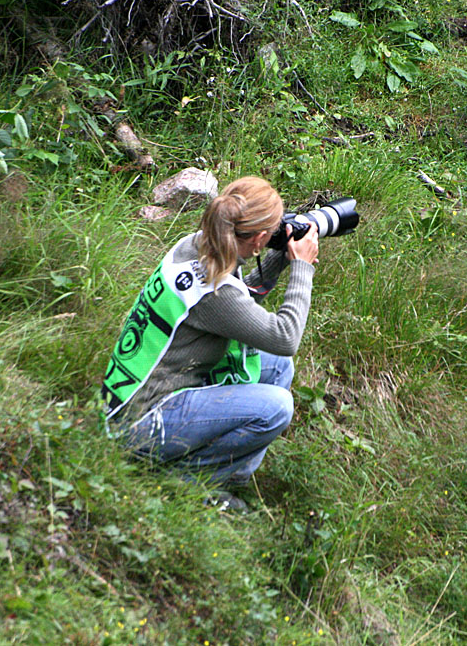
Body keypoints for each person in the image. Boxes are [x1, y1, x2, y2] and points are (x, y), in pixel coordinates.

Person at [101, 176, 319, 504]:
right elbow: (285, 336)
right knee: (276, 407)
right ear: (259, 238)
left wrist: (279, 259)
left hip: (125, 399)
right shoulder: (215, 289)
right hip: (138, 424)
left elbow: (236, 306)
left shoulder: (199, 245)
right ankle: (183, 486)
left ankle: (231, 476)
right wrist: (302, 268)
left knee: (277, 367)